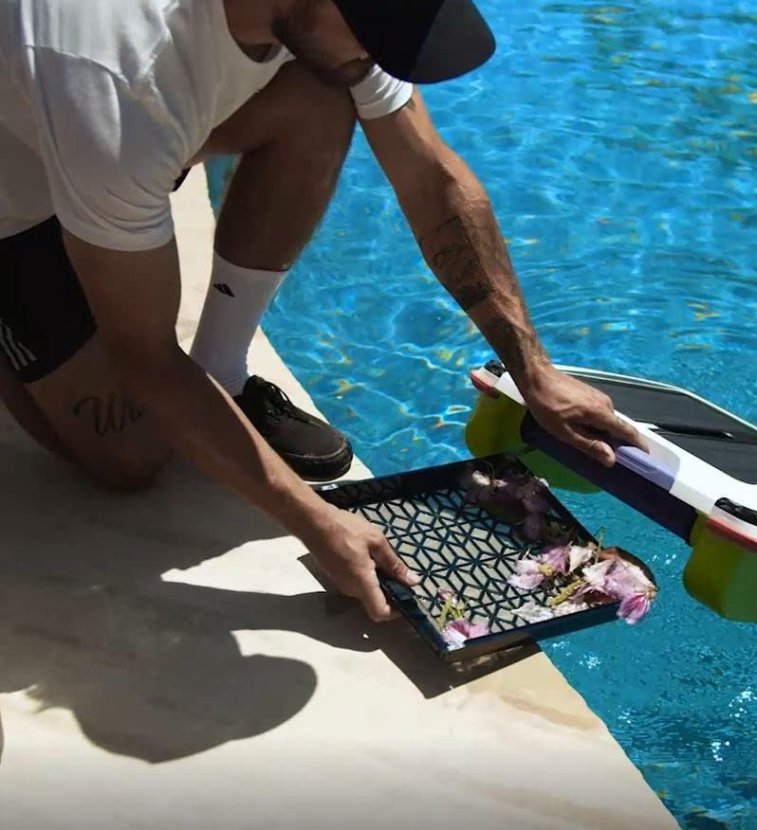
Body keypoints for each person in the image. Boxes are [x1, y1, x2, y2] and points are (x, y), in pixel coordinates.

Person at [0, 0, 646, 621]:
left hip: (91, 137)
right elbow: (144, 353)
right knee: (129, 460)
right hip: (17, 190)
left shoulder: (322, 24)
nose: (379, 53)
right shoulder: (117, 78)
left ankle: (224, 370)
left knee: (322, 90)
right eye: (371, 25)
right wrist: (316, 521)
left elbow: (432, 179)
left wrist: (531, 369)